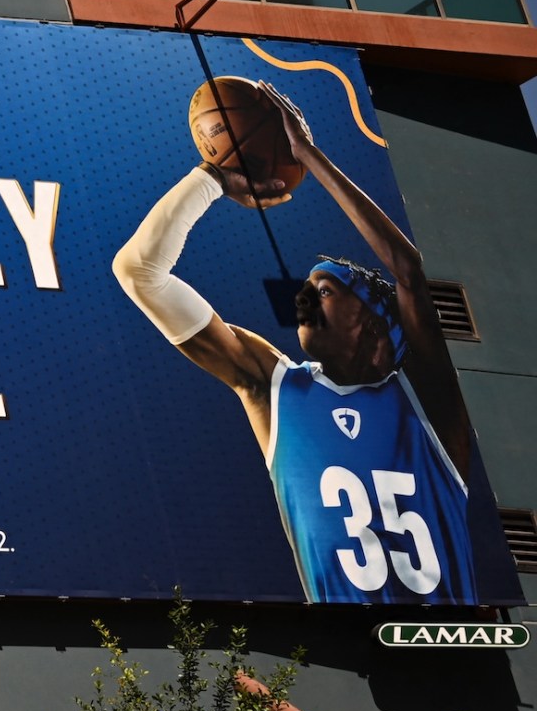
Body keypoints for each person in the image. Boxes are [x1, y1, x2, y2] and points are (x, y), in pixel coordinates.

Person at [112, 81, 479, 603]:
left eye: (324, 290)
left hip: (451, 645)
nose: (303, 300)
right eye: (304, 291)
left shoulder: (427, 403)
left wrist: (307, 154)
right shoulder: (275, 386)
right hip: (354, 656)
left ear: (375, 320)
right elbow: (138, 272)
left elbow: (407, 272)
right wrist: (212, 179)